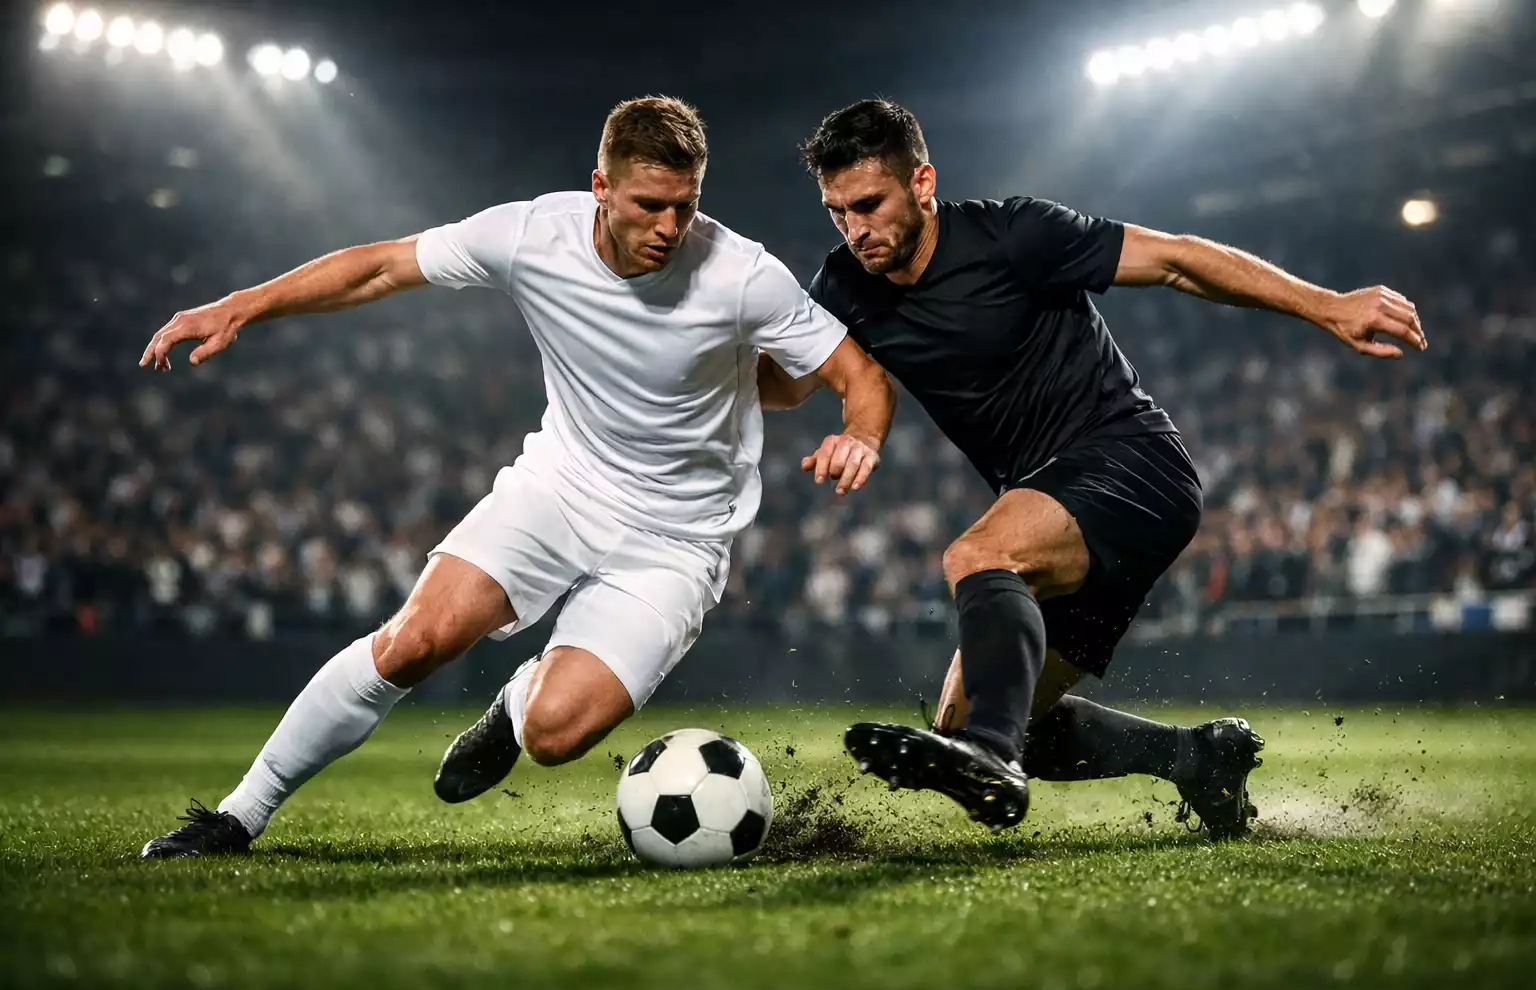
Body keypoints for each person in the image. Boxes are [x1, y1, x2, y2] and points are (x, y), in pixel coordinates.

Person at [138, 96, 894, 858]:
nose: (670, 226)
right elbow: (378, 268)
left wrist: (859, 435)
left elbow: (858, 376)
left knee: (554, 734)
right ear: (601, 188)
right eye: (650, 205)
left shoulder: (741, 274)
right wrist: (243, 305)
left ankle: (515, 700)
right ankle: (238, 815)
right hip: (560, 487)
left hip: (679, 537)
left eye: (686, 206)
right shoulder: (532, 235)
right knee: (412, 642)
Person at [761, 99, 1425, 836]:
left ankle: (992, 759)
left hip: (1131, 463)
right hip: (1060, 509)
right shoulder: (846, 284)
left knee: (977, 557)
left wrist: (1326, 304)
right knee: (976, 714)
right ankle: (1195, 757)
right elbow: (793, 379)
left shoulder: (1015, 233)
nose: (855, 230)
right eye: (836, 213)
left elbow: (1175, 261)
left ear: (922, 182)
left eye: (868, 204)